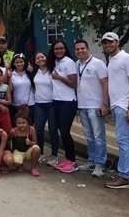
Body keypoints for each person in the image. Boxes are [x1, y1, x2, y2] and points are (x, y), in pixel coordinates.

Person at [102, 32, 129, 189]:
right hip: (119, 104)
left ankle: (124, 176)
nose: (108, 45)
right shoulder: (112, 59)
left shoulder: (127, 58)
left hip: (125, 105)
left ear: (117, 42)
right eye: (105, 43)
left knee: (123, 140)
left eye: (110, 42)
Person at [75, 40, 109, 177]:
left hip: (95, 106)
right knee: (89, 136)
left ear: (88, 49)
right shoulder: (77, 64)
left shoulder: (98, 64)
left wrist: (104, 104)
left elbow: (105, 84)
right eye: (77, 49)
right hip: (82, 105)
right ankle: (92, 160)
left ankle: (100, 164)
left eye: (82, 48)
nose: (80, 51)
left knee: (98, 136)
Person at [48, 40, 78, 173]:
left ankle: (72, 161)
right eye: (56, 49)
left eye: (61, 48)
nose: (58, 51)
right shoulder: (54, 62)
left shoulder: (69, 62)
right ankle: (67, 159)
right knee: (60, 130)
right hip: (56, 101)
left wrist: (59, 77)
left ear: (65, 49)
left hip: (68, 101)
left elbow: (73, 84)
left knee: (65, 132)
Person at [32, 52, 60, 167]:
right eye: (37, 58)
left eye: (42, 57)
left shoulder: (53, 70)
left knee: (53, 130)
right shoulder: (34, 72)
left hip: (51, 104)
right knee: (38, 130)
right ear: (35, 61)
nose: (40, 59)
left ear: (46, 58)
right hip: (39, 104)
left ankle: (54, 155)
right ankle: (41, 152)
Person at [9, 53, 35, 121]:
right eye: (17, 62)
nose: (19, 64)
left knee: (30, 125)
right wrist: (9, 77)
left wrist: (32, 72)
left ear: (25, 62)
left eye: (21, 62)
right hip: (17, 105)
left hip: (30, 103)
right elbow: (10, 90)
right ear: (14, 64)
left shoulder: (28, 72)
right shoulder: (12, 74)